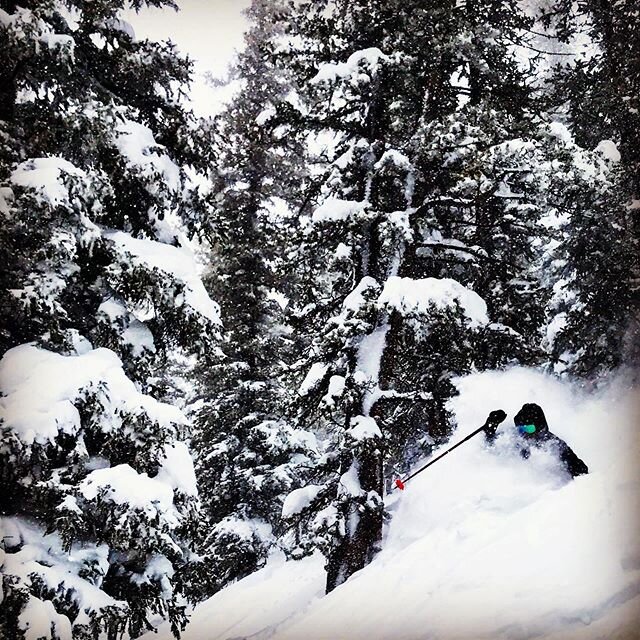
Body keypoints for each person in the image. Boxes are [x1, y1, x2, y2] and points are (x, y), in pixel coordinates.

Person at [485, 403, 588, 478]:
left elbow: (581, 471)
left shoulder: (553, 445)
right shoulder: (515, 440)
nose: (525, 434)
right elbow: (490, 448)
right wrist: (491, 425)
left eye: (529, 428)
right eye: (521, 429)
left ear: (540, 427)